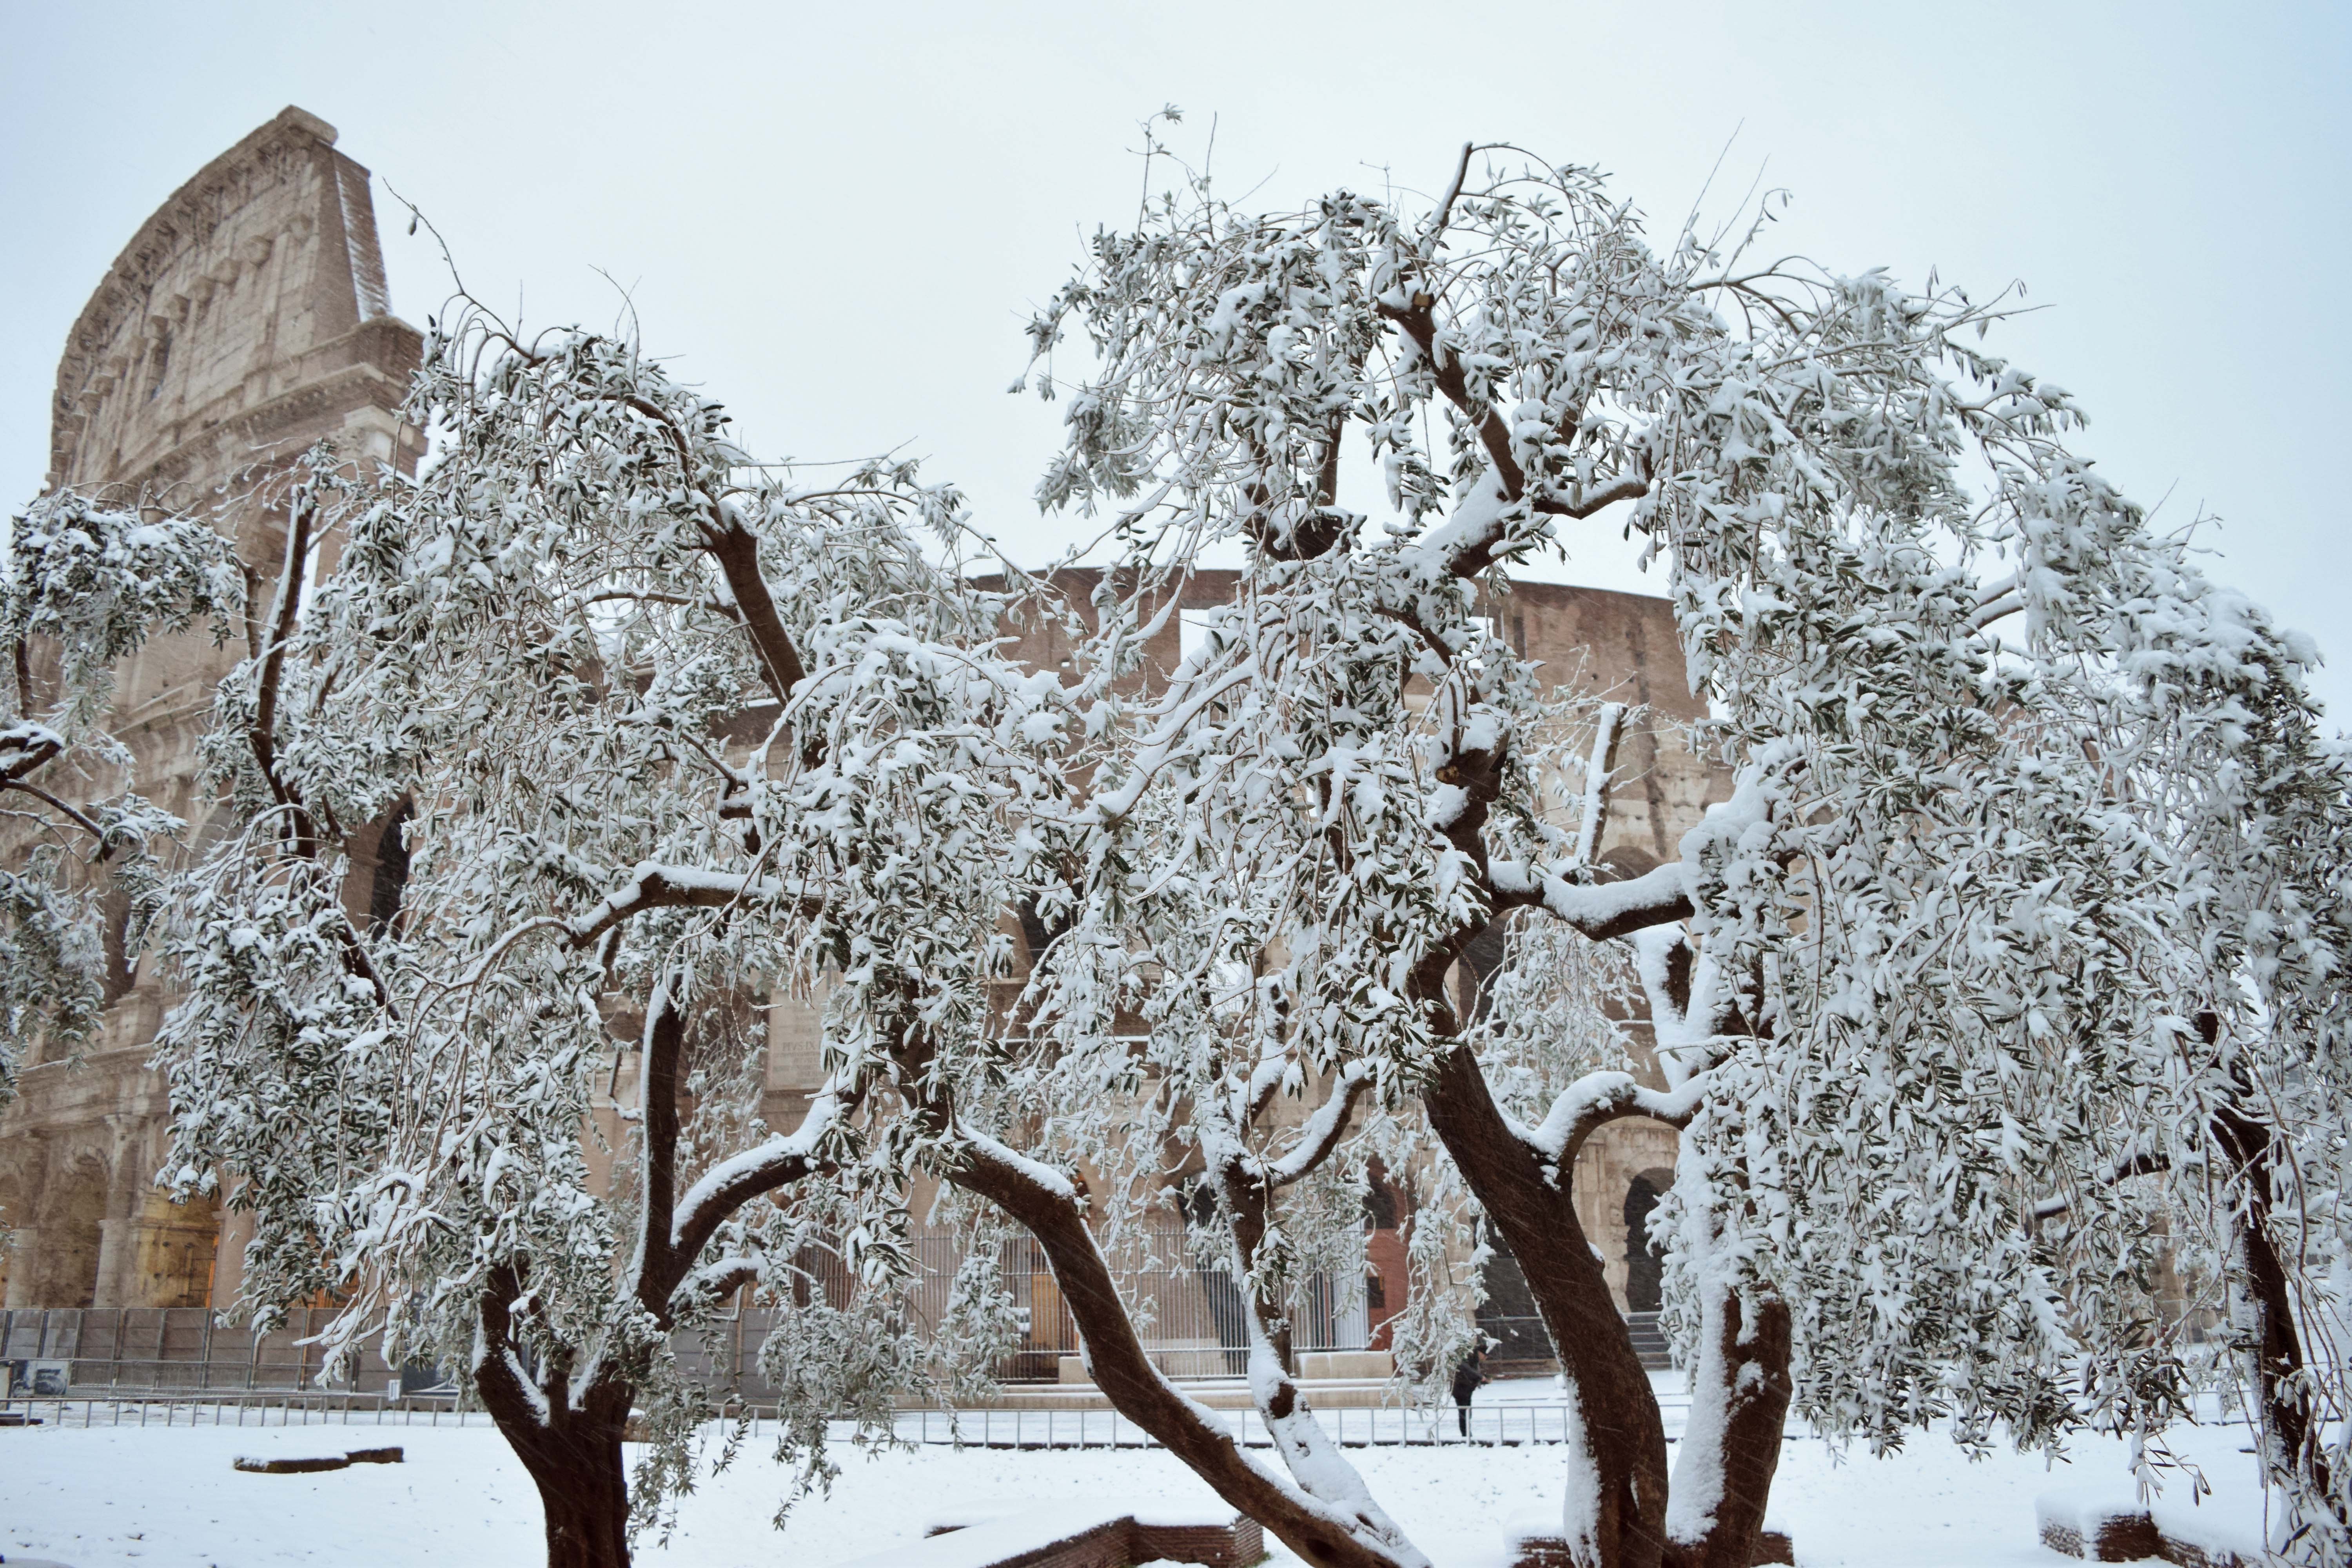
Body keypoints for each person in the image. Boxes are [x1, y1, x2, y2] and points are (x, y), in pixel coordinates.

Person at [1451, 1347, 1485, 1438]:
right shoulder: (1469, 1358)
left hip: (1467, 1390)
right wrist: (1481, 1377)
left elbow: (1472, 1374)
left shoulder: (1474, 1361)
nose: (1485, 1359)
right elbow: (1467, 1370)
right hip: (1461, 1389)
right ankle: (1466, 1435)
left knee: (1467, 1413)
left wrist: (1483, 1379)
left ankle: (1467, 1434)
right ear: (1480, 1353)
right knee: (1464, 1413)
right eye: (1485, 1356)